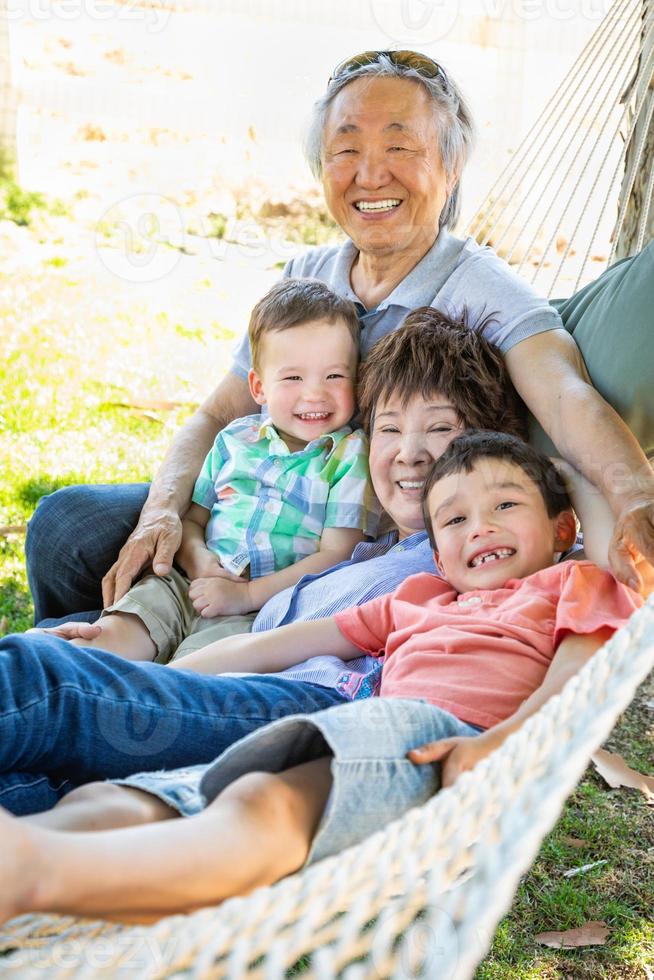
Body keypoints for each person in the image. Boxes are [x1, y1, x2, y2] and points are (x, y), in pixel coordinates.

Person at [26, 51, 654, 626]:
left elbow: (567, 396)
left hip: (355, 545)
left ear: (452, 165)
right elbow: (221, 411)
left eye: (400, 147)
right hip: (259, 505)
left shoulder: (485, 291)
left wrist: (633, 496)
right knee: (66, 527)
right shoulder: (305, 277)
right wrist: (165, 509)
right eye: (345, 150)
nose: (370, 175)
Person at [2, 432, 641, 925]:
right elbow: (281, 645)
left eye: (506, 504)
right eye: (453, 520)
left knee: (262, 805)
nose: (481, 526)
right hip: (352, 721)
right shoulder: (421, 596)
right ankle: (29, 850)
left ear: (562, 529)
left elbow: (580, 679)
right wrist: (129, 676)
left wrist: (506, 746)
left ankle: (42, 870)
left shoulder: (573, 581)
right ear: (439, 555)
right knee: (121, 784)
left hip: (445, 746)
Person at [0, 310, 527, 816]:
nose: (409, 453)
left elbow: (561, 537)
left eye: (439, 429)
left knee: (41, 678)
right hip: (228, 676)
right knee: (46, 651)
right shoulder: (373, 546)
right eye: (388, 430)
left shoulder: (467, 564)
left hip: (297, 711)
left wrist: (150, 680)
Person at [65, 278, 379, 663]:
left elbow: (339, 553)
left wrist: (246, 595)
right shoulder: (235, 439)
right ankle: (54, 677)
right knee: (107, 643)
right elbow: (194, 519)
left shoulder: (347, 456)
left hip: (259, 612)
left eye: (334, 376)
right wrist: (197, 562)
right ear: (259, 387)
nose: (314, 393)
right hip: (182, 586)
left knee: (184, 681)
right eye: (293, 377)